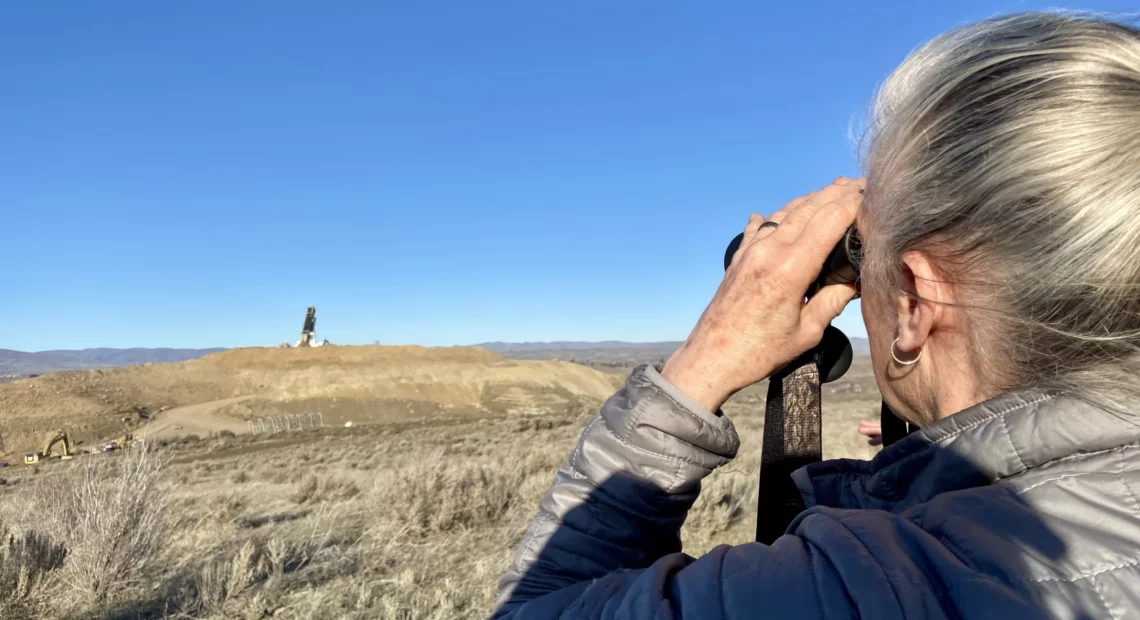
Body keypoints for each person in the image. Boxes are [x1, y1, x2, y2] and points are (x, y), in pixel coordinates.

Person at [492, 12, 1140, 619]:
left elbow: (539, 605)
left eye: (866, 251)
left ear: (915, 303)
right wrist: (933, 460)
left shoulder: (869, 583)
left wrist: (703, 361)